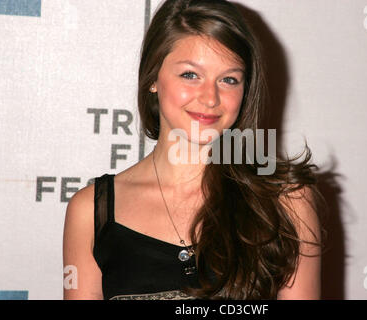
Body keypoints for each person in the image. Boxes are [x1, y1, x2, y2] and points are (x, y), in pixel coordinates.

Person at [63, 0, 327, 300]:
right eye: (190, 75)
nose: (210, 97)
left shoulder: (287, 200)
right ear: (153, 78)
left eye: (229, 79)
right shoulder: (91, 212)